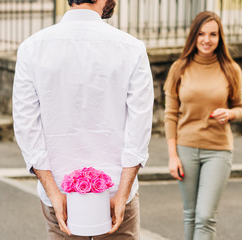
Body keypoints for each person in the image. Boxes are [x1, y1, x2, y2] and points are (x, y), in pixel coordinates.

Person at [12, 0, 154, 239]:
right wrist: (122, 192)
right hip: (117, 192)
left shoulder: (32, 48)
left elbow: (27, 127)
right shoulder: (131, 48)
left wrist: (53, 192)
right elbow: (139, 128)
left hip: (59, 193)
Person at [164, 11, 242, 240]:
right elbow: (170, 115)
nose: (207, 40)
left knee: (205, 216)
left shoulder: (231, 69)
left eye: (213, 34)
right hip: (186, 149)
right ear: (193, 36)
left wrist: (229, 113)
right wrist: (173, 156)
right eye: (201, 34)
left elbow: (240, 107)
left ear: (220, 38)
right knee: (190, 214)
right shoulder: (179, 68)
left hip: (218, 150)